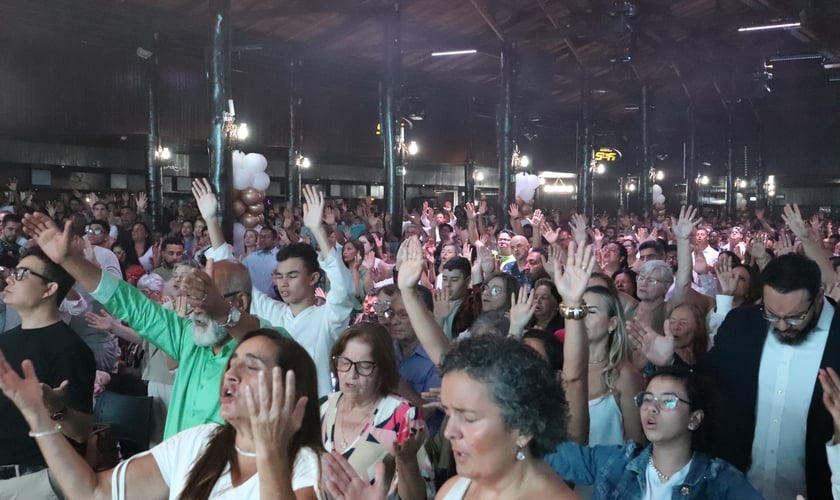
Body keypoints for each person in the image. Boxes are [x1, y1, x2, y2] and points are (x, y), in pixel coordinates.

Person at [0, 329, 325, 499]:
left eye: (251, 366)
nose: (231, 373)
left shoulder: (308, 465)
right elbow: (92, 492)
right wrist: (38, 419)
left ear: (291, 393)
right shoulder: (200, 442)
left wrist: (269, 448)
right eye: (233, 361)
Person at [21, 212, 263, 440]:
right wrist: (70, 261)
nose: (198, 307)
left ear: (240, 301)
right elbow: (128, 302)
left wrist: (221, 312)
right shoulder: (187, 336)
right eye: (194, 295)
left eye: (208, 297)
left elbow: (255, 335)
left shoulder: (267, 346)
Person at [631, 252, 840, 500]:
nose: (782, 326)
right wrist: (669, 361)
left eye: (795, 317)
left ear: (818, 298)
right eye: (772, 314)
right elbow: (706, 383)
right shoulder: (743, 324)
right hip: (735, 488)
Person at [196, 181, 355, 397]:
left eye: (292, 275)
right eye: (279, 276)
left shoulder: (327, 318)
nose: (283, 283)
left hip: (315, 413)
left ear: (313, 277)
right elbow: (231, 271)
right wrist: (211, 221)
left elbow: (343, 289)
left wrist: (317, 230)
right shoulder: (271, 312)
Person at [544, 367, 763, 499]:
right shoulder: (616, 462)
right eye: (647, 399)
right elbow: (549, 455)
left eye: (668, 401)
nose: (652, 408)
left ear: (694, 419)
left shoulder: (719, 480)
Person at [0, 248, 95, 499]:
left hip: (37, 480)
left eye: (22, 274)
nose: (10, 278)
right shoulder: (5, 341)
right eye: (12, 272)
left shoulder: (71, 349)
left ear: (49, 289)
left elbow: (80, 432)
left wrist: (58, 409)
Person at [321, 323, 434, 499]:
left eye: (364, 366)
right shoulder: (321, 408)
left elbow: (420, 497)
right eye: (345, 362)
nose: (352, 374)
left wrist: (407, 462)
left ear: (382, 370)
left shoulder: (403, 414)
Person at [374, 285, 444, 436]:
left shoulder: (438, 360)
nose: (394, 321)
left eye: (404, 315)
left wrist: (395, 382)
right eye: (391, 313)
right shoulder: (385, 351)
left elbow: (426, 414)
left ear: (426, 318)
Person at [582, 285, 646, 445]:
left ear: (612, 323)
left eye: (591, 311)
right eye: (579, 309)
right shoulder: (566, 370)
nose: (582, 316)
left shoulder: (624, 375)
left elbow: (636, 444)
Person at [243, 227, 279, 299]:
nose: (262, 239)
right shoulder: (251, 258)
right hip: (253, 300)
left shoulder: (281, 257)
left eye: (267, 237)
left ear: (275, 240)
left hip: (274, 300)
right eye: (261, 236)